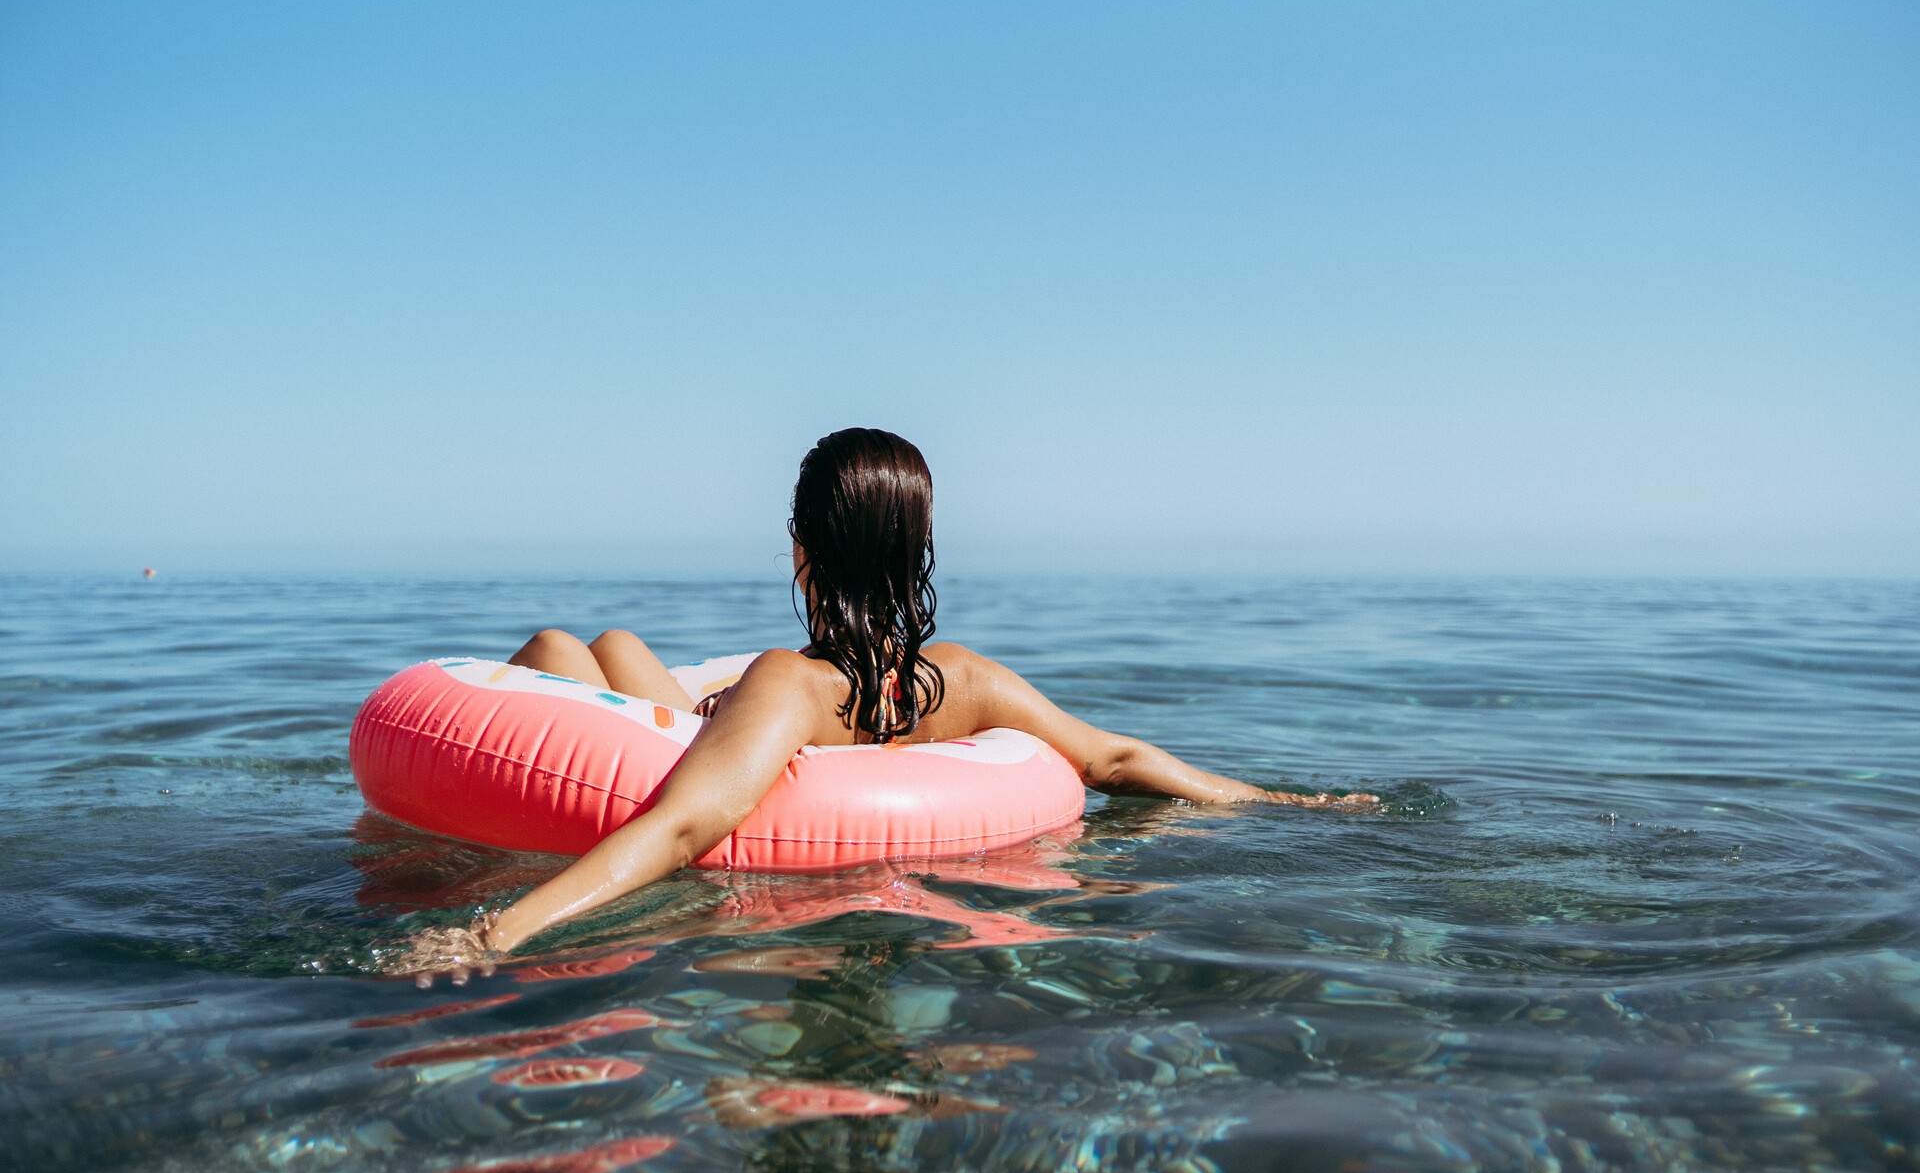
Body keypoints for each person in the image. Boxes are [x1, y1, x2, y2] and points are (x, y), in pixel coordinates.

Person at [397, 428, 1376, 984]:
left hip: (711, 794)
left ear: (800, 549)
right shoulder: (962, 680)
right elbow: (1116, 758)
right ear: (917, 554)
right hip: (813, 764)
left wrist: (493, 933)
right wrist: (1285, 806)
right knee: (616, 648)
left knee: (569, 649)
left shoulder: (790, 682)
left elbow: (687, 821)